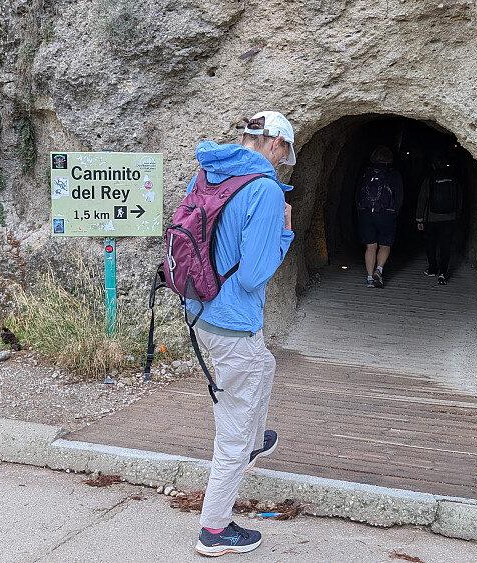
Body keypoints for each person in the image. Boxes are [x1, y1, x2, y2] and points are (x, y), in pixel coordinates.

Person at [185, 111, 296, 557]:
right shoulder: (265, 189)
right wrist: (284, 233)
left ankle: (252, 444)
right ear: (276, 144)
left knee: (264, 364)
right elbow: (252, 276)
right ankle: (214, 529)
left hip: (200, 310)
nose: (283, 162)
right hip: (234, 321)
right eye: (285, 153)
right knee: (231, 432)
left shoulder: (208, 174)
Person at [355, 145, 403, 288]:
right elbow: (399, 196)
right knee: (384, 244)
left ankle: (370, 278)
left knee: (370, 246)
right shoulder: (394, 174)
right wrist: (395, 211)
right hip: (386, 214)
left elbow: (357, 194)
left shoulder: (365, 173)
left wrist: (360, 211)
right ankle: (379, 270)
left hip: (366, 213)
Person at [416, 154, 463, 285]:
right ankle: (443, 273)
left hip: (431, 218)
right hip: (450, 217)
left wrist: (419, 219)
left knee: (430, 244)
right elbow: (459, 198)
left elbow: (422, 199)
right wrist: (457, 214)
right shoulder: (454, 179)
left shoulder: (429, 180)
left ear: (433, 166)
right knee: (445, 246)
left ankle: (432, 269)